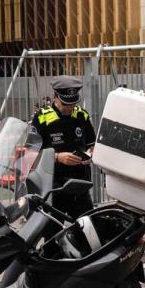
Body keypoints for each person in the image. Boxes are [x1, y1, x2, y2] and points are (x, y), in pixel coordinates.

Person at [30, 75, 96, 220]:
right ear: (55, 97)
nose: (70, 108)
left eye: (73, 104)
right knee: (53, 232)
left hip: (80, 184)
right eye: (65, 104)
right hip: (53, 187)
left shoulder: (81, 115)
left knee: (88, 229)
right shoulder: (41, 118)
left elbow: (92, 145)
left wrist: (90, 155)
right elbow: (30, 152)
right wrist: (57, 157)